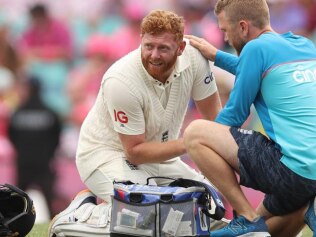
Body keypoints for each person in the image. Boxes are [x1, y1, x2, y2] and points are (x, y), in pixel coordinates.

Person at [49, 9, 228, 236]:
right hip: (104, 155)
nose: (154, 55)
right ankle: (82, 215)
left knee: (207, 208)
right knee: (149, 214)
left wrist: (222, 155)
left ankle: (111, 208)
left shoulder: (194, 58)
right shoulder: (121, 80)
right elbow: (135, 152)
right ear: (140, 41)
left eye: (163, 48)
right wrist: (192, 142)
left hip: (159, 157)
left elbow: (216, 120)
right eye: (148, 45)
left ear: (180, 48)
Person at [183, 0, 316, 236]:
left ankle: (245, 216)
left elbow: (233, 116)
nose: (225, 37)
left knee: (196, 133)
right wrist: (216, 56)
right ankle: (305, 210)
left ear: (243, 27)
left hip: (294, 171)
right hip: (309, 178)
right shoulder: (304, 45)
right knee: (260, 232)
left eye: (225, 30)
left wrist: (209, 163)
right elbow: (257, 68)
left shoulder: (255, 49)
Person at [8, 78, 62, 218]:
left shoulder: (18, 113)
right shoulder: (50, 113)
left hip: (24, 163)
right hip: (44, 163)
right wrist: (48, 154)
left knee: (17, 201)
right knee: (49, 200)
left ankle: (12, 223)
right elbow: (57, 137)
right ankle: (53, 224)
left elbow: (12, 136)